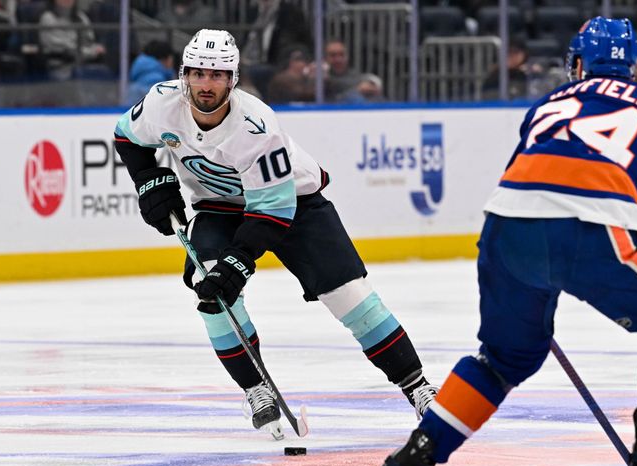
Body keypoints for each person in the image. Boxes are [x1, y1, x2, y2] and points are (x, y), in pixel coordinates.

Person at [362, 17, 637, 466]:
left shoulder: (548, 104)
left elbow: (535, 179)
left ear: (579, 63)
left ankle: (414, 461)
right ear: (632, 65)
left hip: (505, 230)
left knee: (502, 359)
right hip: (590, 229)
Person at [113, 29, 438, 440]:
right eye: (198, 74)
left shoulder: (255, 126)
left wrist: (240, 260)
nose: (206, 84)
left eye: (217, 75)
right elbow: (127, 137)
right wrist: (149, 180)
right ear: (184, 75)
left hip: (293, 204)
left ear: (233, 79)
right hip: (218, 205)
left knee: (350, 297)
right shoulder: (162, 103)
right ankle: (256, 388)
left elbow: (272, 211)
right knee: (211, 290)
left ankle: (418, 388)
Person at [39, 0, 105, 81]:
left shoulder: (81, 17)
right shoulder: (48, 18)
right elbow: (63, 48)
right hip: (62, 65)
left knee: (103, 73)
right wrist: (90, 52)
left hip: (85, 62)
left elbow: (89, 40)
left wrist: (96, 49)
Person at [240, 0, 313, 67]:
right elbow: (244, 39)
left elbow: (294, 42)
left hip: (272, 63)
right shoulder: (253, 12)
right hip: (245, 61)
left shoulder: (291, 12)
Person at [127, 40, 175, 106]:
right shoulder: (158, 82)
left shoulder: (136, 81)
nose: (172, 62)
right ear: (164, 59)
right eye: (171, 58)